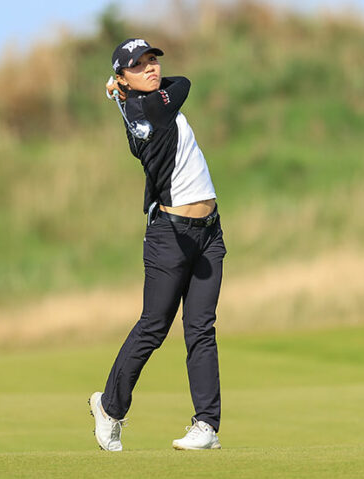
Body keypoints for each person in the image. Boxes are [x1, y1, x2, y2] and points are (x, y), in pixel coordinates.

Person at [89, 38, 227, 451]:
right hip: (171, 235)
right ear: (122, 78)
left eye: (152, 61)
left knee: (201, 327)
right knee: (154, 326)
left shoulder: (142, 104)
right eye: (140, 65)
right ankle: (110, 407)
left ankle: (206, 425)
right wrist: (127, 92)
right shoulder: (149, 107)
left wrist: (123, 88)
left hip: (208, 233)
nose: (151, 68)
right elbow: (182, 83)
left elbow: (172, 85)